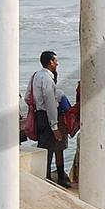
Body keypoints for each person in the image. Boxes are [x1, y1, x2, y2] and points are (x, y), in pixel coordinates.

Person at [28, 51, 70, 187]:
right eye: (55, 61)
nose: (57, 63)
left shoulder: (35, 75)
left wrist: (37, 105)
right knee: (48, 150)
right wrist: (54, 126)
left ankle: (43, 177)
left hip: (39, 115)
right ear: (51, 62)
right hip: (47, 117)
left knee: (42, 148)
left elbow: (28, 97)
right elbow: (50, 103)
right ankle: (44, 180)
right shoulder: (47, 79)